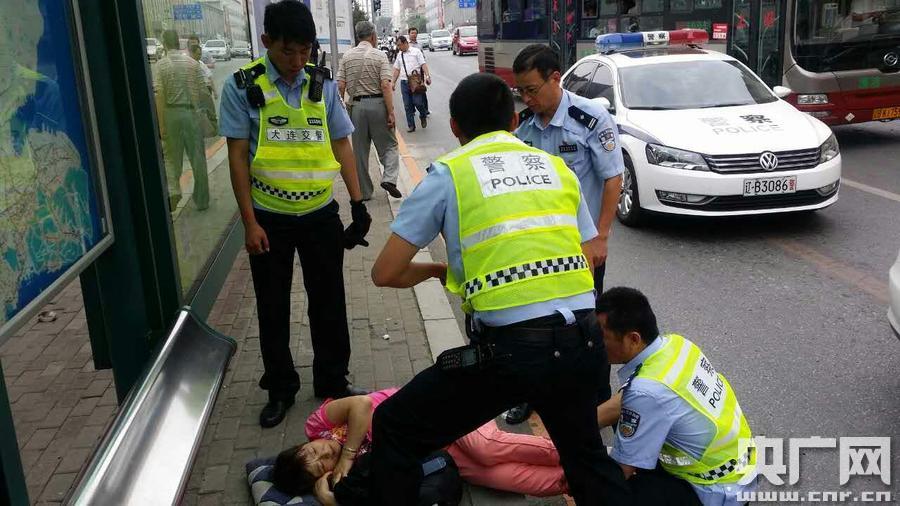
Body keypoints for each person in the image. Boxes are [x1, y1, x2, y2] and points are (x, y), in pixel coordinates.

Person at [367, 73, 630, 505]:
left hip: (510, 352)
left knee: (394, 426)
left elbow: (385, 272)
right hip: (582, 342)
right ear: (513, 121)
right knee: (587, 461)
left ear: (455, 127)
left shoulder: (449, 174)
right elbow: (585, 253)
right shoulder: (556, 168)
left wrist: (436, 271)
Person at [219, 0, 372, 429]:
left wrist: (357, 202)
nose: (297, 61)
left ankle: (332, 379)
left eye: (305, 51)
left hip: (320, 213)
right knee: (272, 307)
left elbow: (341, 141)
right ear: (267, 41)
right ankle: (281, 388)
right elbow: (237, 158)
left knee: (329, 302)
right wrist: (249, 223)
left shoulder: (321, 84)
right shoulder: (242, 86)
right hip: (270, 218)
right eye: (288, 51)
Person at [507, 43, 624, 426]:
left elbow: (613, 178)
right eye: (520, 91)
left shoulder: (590, 119)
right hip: (536, 248)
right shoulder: (524, 126)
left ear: (555, 78)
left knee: (589, 325)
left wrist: (601, 236)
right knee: (533, 324)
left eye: (531, 90)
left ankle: (598, 398)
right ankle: (531, 395)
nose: (526, 98)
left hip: (580, 246)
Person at [596, 287, 757, 506]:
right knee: (628, 420)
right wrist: (579, 428)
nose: (595, 343)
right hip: (740, 466)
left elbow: (621, 470)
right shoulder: (676, 344)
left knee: (606, 491)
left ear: (633, 339)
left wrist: (571, 470)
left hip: (714, 489)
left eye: (601, 336)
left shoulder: (646, 391)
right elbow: (626, 400)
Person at [272, 389, 569, 503]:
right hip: (436, 452)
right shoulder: (344, 478)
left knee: (486, 449)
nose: (323, 452)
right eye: (320, 465)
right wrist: (329, 497)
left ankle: (575, 452)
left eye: (311, 451)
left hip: (436, 410)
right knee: (499, 476)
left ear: (301, 445)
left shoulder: (317, 426)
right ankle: (576, 480)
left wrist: (347, 455)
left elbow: (361, 404)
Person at [337, 21, 402, 200]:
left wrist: (341, 112)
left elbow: (340, 86)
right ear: (373, 36)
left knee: (359, 152)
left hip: (356, 108)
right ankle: (389, 178)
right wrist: (391, 112)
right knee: (390, 146)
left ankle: (364, 192)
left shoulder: (347, 57)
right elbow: (386, 85)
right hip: (378, 106)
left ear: (357, 36)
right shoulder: (380, 56)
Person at [154, 29, 212, 211]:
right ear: (178, 43)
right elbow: (204, 93)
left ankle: (173, 191)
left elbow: (159, 96)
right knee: (198, 158)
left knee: (172, 157)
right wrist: (212, 118)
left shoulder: (161, 65)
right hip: (192, 114)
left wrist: (161, 125)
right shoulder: (193, 64)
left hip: (171, 114)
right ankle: (202, 200)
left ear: (164, 44)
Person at [391, 35, 430, 133]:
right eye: (397, 45)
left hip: (415, 82)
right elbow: (396, 69)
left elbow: (423, 64)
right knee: (407, 105)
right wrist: (393, 82)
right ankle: (411, 125)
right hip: (404, 82)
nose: (398, 47)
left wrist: (427, 76)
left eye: (400, 45)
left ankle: (423, 115)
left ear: (405, 43)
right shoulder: (399, 55)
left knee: (418, 103)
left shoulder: (416, 52)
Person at [407, 27, 430, 115]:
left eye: (415, 33)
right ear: (409, 34)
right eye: (412, 33)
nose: (414, 35)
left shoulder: (419, 45)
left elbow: (423, 59)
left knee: (421, 89)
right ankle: (412, 110)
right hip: (409, 72)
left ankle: (425, 109)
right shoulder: (406, 45)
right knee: (410, 90)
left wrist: (426, 74)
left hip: (419, 72)